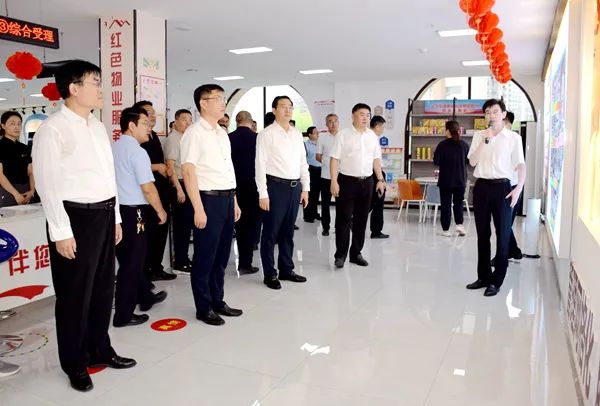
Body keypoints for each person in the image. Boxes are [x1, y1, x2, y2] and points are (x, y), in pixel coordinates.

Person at [32, 59, 136, 392]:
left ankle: (100, 349)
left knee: (104, 290)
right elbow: (47, 184)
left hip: (104, 215)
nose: (101, 88)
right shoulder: (53, 129)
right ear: (74, 88)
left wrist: (115, 217)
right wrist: (61, 231)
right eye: (95, 82)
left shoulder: (98, 126)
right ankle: (74, 363)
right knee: (74, 295)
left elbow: (108, 176)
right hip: (75, 218)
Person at [181, 84, 243, 326]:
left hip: (226, 198)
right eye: (218, 98)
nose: (223, 103)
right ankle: (203, 306)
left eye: (223, 98)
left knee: (222, 255)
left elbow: (228, 169)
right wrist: (198, 208)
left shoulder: (221, 133)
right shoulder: (194, 133)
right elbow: (188, 172)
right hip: (207, 200)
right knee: (205, 256)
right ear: (203, 103)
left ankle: (218, 300)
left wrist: (234, 200)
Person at [112, 107, 168, 327]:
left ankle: (145, 296)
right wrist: (160, 210)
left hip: (117, 212)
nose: (149, 128)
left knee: (129, 259)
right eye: (145, 123)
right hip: (133, 212)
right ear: (131, 125)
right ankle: (123, 315)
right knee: (132, 265)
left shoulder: (114, 148)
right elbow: (148, 188)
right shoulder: (137, 152)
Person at [466, 99, 525, 297]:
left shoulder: (513, 138)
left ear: (503, 114)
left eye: (495, 111)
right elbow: (472, 162)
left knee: (503, 234)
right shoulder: (479, 135)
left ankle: (496, 281)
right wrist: (485, 141)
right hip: (481, 187)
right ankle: (483, 276)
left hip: (503, 189)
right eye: (487, 112)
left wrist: (518, 188)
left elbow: (521, 165)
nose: (491, 115)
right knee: (482, 235)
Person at [256, 96, 309, 289]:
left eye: (290, 107)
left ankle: (286, 269)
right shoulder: (266, 134)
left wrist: (306, 188)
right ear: (274, 110)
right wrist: (263, 193)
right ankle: (270, 274)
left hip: (295, 188)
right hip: (275, 187)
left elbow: (303, 162)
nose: (287, 110)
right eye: (283, 107)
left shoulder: (296, 134)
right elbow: (260, 165)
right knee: (271, 233)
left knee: (288, 231)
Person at [330, 103, 385, 269]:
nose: (365, 118)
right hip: (346, 181)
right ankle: (340, 255)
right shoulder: (343, 135)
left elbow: (376, 159)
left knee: (361, 220)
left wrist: (380, 179)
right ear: (353, 116)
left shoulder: (372, 136)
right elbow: (334, 159)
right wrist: (334, 181)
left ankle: (356, 253)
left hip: (367, 182)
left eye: (368, 115)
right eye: (362, 114)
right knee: (343, 219)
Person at [134, 100, 176, 281]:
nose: (152, 116)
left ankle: (156, 267)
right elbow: (136, 167)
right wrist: (157, 167)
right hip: (147, 192)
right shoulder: (137, 140)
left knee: (161, 231)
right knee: (150, 232)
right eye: (148, 113)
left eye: (153, 113)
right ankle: (146, 271)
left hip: (162, 189)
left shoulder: (153, 136)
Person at [229, 111, 260, 275]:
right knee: (250, 224)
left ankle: (221, 261)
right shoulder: (257, 139)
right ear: (251, 121)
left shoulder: (228, 138)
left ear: (236, 121)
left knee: (234, 223)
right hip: (252, 186)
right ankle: (245, 263)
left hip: (231, 187)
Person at [490, 111, 523, 263]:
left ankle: (502, 257)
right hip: (503, 187)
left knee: (503, 225)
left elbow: (518, 165)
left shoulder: (514, 139)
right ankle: (514, 251)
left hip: (512, 187)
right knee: (504, 225)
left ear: (507, 122)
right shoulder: (496, 138)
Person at [165, 108, 194, 273]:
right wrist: (179, 189)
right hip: (180, 185)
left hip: (188, 184)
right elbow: (170, 167)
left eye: (190, 119)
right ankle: (180, 261)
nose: (188, 122)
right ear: (175, 121)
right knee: (181, 225)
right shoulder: (173, 139)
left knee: (187, 224)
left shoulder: (186, 138)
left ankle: (184, 257)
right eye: (184, 119)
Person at [433, 120, 469, 237]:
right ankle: (459, 225)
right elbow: (468, 161)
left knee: (446, 205)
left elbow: (436, 161)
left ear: (447, 131)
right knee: (458, 203)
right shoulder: (464, 145)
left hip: (446, 180)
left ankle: (446, 230)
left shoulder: (442, 145)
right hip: (461, 180)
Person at [0, 111, 36, 207]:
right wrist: (16, 194)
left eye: (19, 124)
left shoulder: (25, 148)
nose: (17, 127)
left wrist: (32, 191)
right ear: (3, 126)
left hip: (26, 191)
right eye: (12, 124)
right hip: (7, 191)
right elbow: (0, 175)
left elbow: (30, 171)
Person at [316, 113, 339, 236]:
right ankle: (325, 227)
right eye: (330, 121)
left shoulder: (343, 136)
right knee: (325, 204)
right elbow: (318, 156)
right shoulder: (322, 138)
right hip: (326, 176)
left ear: (338, 123)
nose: (333, 123)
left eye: (335, 121)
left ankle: (339, 227)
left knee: (341, 204)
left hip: (341, 176)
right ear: (326, 124)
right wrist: (326, 163)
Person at [369, 115, 390, 239]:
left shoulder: (369, 137)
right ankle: (376, 230)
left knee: (372, 202)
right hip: (375, 174)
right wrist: (380, 178)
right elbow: (374, 161)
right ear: (377, 126)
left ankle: (354, 220)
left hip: (373, 173)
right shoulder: (372, 139)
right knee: (376, 202)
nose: (383, 129)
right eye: (382, 127)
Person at [303, 126, 321, 222]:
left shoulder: (320, 143)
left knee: (316, 193)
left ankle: (315, 213)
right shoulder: (305, 145)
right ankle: (308, 216)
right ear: (310, 135)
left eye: (318, 132)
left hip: (320, 170)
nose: (318, 134)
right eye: (315, 133)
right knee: (309, 193)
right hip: (311, 170)